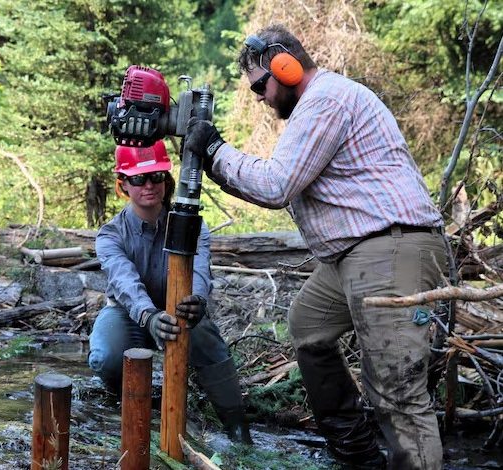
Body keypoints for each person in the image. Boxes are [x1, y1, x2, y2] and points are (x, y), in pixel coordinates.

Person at [184, 24, 447, 470]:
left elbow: (276, 184)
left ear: (285, 65)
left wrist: (214, 147)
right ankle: (358, 455)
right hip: (353, 254)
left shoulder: (326, 99)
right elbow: (274, 187)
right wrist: (214, 160)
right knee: (308, 327)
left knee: (396, 391)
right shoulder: (317, 104)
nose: (261, 99)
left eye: (260, 86)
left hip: (390, 247)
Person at [88, 140, 252, 443]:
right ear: (123, 184)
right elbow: (123, 281)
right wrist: (148, 315)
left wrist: (198, 299)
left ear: (167, 178)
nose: (149, 185)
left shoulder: (191, 225)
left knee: (209, 344)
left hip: (181, 309)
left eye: (157, 176)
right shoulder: (110, 234)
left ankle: (238, 429)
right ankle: (124, 400)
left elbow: (200, 268)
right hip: (129, 313)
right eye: (138, 179)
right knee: (107, 355)